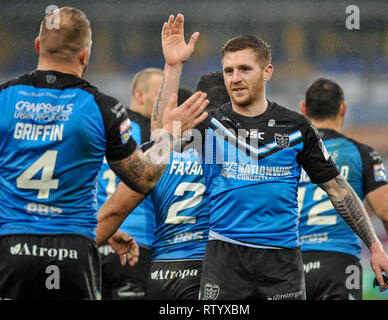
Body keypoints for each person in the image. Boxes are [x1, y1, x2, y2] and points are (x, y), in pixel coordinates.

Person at [151, 13, 388, 300]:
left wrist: (375, 247)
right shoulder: (210, 125)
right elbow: (159, 138)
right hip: (225, 263)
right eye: (228, 71)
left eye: (244, 69)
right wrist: (173, 65)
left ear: (267, 71)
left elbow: (338, 189)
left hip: (282, 267)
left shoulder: (296, 127)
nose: (235, 78)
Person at [0, 7, 208, 300]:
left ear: (37, 46)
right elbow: (144, 178)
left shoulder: (4, 99)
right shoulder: (102, 108)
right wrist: (169, 137)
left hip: (9, 249)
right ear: (85, 54)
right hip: (72, 250)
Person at [97, 78, 230, 300]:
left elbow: (113, 211)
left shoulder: (157, 151)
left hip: (161, 270)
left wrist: (70, 249)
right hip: (205, 268)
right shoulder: (238, 150)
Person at [298, 78, 388, 300]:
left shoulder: (288, 153)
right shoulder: (360, 154)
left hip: (290, 265)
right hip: (338, 263)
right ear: (343, 109)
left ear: (303, 109)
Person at [98, 68, 163, 300]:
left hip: (98, 238)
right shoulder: (152, 136)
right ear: (138, 96)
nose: (164, 105)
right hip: (136, 246)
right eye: (160, 97)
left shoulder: (104, 127)